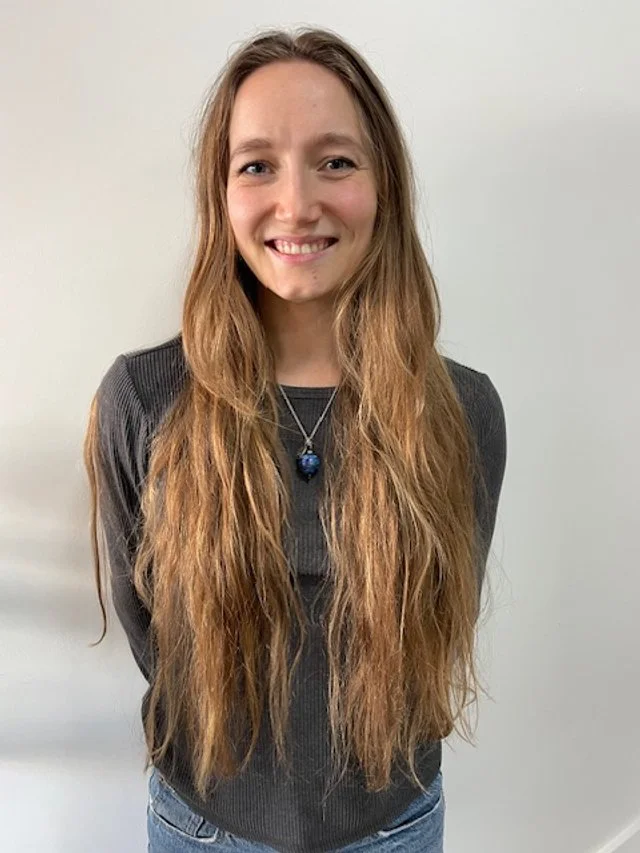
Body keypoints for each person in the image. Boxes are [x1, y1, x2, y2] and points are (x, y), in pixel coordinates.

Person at [83, 26, 507, 853]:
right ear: (221, 192)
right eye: (257, 165)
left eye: (335, 161)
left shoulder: (463, 410)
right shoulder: (143, 400)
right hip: (201, 826)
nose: (296, 202)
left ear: (384, 186)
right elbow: (156, 642)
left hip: (394, 827)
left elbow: (434, 634)